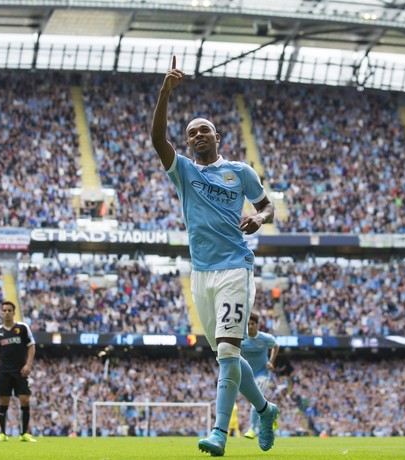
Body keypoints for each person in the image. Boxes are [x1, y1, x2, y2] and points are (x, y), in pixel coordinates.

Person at [151, 55, 279, 457]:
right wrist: (164, 93)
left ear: (218, 136)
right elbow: (157, 141)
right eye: (192, 132)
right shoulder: (184, 171)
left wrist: (259, 217)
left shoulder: (240, 171)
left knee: (227, 351)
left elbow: (268, 206)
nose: (198, 135)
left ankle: (219, 433)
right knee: (227, 354)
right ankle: (265, 408)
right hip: (201, 273)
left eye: (205, 129)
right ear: (188, 142)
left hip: (235, 268)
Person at [0, 300, 37, 442]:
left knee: (25, 400)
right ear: (1, 313)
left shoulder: (23, 328)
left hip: (21, 371)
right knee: (3, 401)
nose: (7, 312)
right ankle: (2, 433)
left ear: (14, 313)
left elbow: (31, 346)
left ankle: (24, 434)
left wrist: (28, 364)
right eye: (5, 310)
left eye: (10, 310)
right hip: (5, 372)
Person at [241, 312, 279, 440]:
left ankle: (252, 428)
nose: (250, 326)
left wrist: (271, 362)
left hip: (262, 374)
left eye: (252, 324)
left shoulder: (265, 338)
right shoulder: (242, 338)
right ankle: (271, 411)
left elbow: (275, 346)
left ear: (257, 325)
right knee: (256, 400)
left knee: (254, 401)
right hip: (247, 375)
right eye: (248, 324)